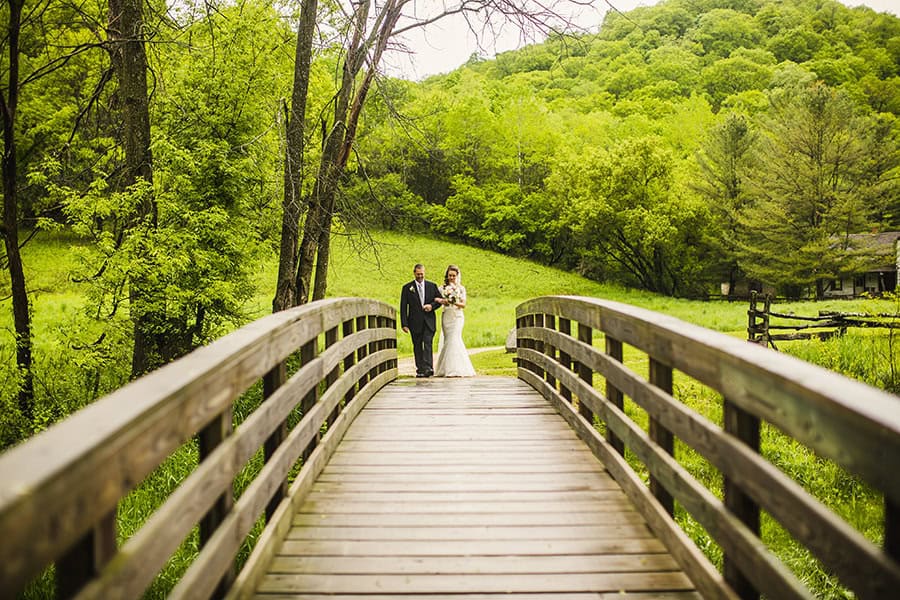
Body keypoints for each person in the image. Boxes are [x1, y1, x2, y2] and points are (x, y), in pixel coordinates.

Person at [400, 263, 442, 377]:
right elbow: (403, 307)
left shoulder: (432, 286)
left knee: (428, 343)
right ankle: (420, 369)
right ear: (414, 273)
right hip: (414, 322)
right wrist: (404, 324)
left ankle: (428, 367)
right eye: (418, 274)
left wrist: (431, 306)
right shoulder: (407, 288)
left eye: (422, 274)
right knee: (417, 345)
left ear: (425, 273)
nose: (420, 276)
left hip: (429, 321)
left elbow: (439, 301)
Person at [434, 264, 475, 377]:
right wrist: (443, 300)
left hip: (457, 316)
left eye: (453, 275)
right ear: (447, 276)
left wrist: (453, 301)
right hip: (446, 315)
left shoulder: (461, 289)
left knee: (454, 339)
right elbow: (436, 299)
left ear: (457, 276)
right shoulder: (442, 288)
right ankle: (445, 368)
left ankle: (456, 369)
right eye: (450, 275)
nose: (451, 277)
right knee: (448, 340)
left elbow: (463, 304)